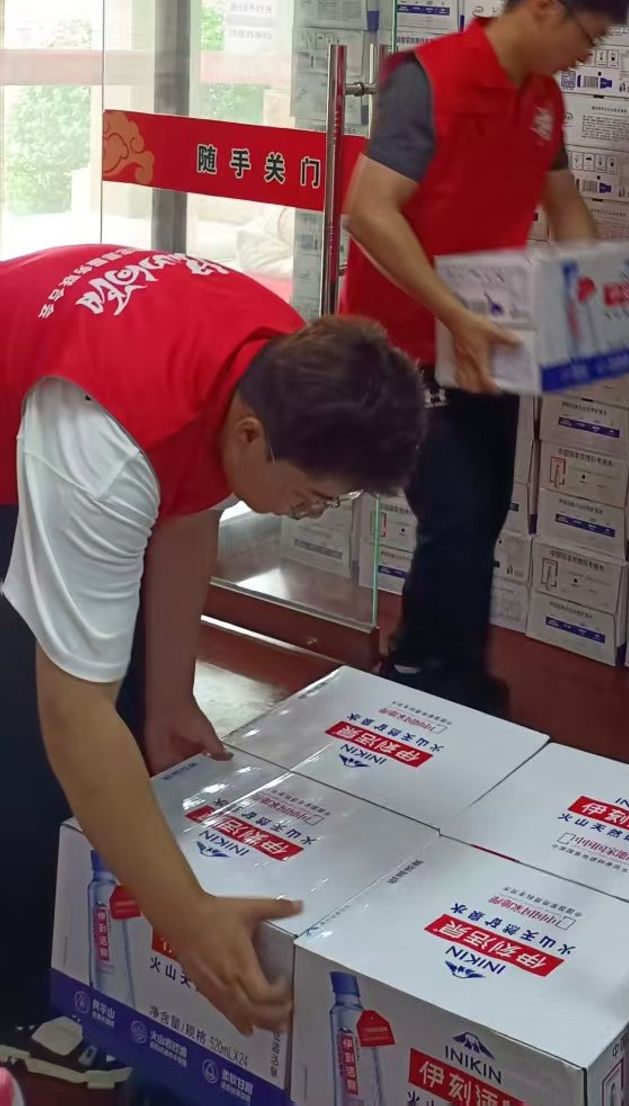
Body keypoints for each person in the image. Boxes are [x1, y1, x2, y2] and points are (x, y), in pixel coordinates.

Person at [0, 244, 426, 1076]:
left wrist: (169, 696)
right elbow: (71, 716)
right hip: (31, 416)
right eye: (313, 495)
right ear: (252, 435)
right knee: (31, 737)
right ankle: (17, 997)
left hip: (62, 376)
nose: (310, 513)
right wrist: (188, 923)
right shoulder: (104, 447)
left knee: (121, 719)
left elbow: (191, 504)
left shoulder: (280, 367)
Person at [341, 0, 629, 712]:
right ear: (545, 8)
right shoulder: (428, 80)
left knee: (481, 511)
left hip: (490, 337)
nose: (586, 56)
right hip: (404, 343)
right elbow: (368, 211)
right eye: (588, 37)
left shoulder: (544, 100)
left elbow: (565, 207)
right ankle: (427, 677)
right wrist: (452, 314)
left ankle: (436, 663)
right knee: (457, 511)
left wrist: (593, 300)